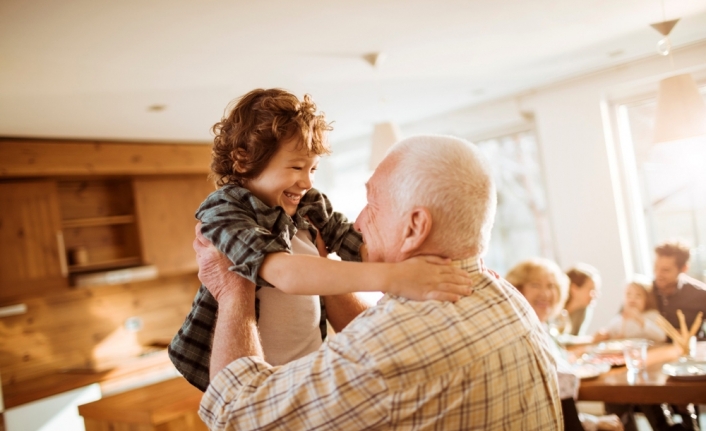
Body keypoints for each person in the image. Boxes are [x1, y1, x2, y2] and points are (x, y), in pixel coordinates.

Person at [196, 135, 563, 430]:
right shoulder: (511, 302)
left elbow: (233, 414)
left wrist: (232, 293)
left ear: (415, 227)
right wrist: (325, 271)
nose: (357, 222)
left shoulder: (382, 355)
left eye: (372, 203)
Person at [169, 89, 472, 392]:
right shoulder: (224, 211)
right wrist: (397, 278)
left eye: (313, 168)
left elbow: (363, 246)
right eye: (296, 167)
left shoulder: (308, 203)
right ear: (244, 160)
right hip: (254, 379)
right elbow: (283, 273)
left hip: (305, 372)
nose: (308, 180)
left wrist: (444, 264)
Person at [506, 257, 623, 431]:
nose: (546, 293)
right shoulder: (520, 334)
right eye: (536, 285)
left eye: (551, 286)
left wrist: (591, 422)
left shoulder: (543, 329)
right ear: (518, 290)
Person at [652, 241, 706, 340]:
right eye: (656, 267)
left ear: (684, 268)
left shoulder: (701, 294)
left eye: (665, 270)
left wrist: (691, 338)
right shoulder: (644, 290)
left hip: (689, 351)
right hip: (650, 353)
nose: (658, 274)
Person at [593, 275, 666, 343]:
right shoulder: (619, 319)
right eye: (628, 295)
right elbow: (609, 333)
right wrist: (603, 335)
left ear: (647, 299)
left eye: (638, 296)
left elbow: (661, 337)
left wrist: (640, 320)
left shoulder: (652, 315)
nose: (632, 299)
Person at [564, 263, 601, 336]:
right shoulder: (554, 309)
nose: (596, 295)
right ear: (573, 289)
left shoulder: (584, 310)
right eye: (591, 289)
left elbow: (577, 339)